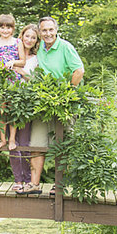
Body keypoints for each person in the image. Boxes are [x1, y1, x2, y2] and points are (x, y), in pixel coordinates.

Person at [18, 16, 84, 195]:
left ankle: (59, 184)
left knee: (61, 144)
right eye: (44, 30)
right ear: (40, 32)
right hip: (44, 104)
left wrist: (67, 93)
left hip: (64, 105)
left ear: (56, 30)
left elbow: (79, 70)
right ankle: (34, 184)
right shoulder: (40, 50)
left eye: (50, 30)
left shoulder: (65, 47)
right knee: (37, 143)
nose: (47, 33)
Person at [8, 24, 40, 191]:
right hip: (10, 103)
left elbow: (38, 81)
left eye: (33, 38)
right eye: (27, 36)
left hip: (26, 104)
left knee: (24, 142)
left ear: (36, 41)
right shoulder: (13, 55)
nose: (29, 40)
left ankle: (28, 180)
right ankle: (18, 180)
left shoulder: (36, 58)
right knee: (11, 142)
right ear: (21, 36)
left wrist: (22, 72)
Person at [0, 14, 25, 151]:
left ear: (13, 29)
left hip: (13, 79)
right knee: (1, 110)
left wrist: (12, 62)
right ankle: (3, 139)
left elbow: (23, 61)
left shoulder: (17, 42)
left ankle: (12, 139)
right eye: (2, 27)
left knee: (12, 109)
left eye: (8, 28)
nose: (5, 30)